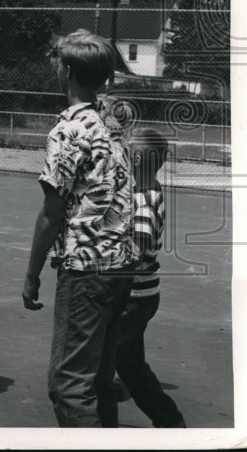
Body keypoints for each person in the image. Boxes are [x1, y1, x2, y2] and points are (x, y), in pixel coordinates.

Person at [22, 29, 135, 427]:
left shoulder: (67, 131)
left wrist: (32, 276)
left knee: (69, 384)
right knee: (101, 380)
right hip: (120, 263)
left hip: (86, 269)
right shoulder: (112, 124)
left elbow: (52, 214)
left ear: (66, 71)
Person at [114, 127, 186, 428]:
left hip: (135, 297)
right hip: (140, 296)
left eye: (129, 155)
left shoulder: (146, 199)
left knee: (105, 356)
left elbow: (140, 243)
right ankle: (169, 421)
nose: (125, 160)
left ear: (138, 163)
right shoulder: (146, 192)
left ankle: (93, 421)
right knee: (130, 364)